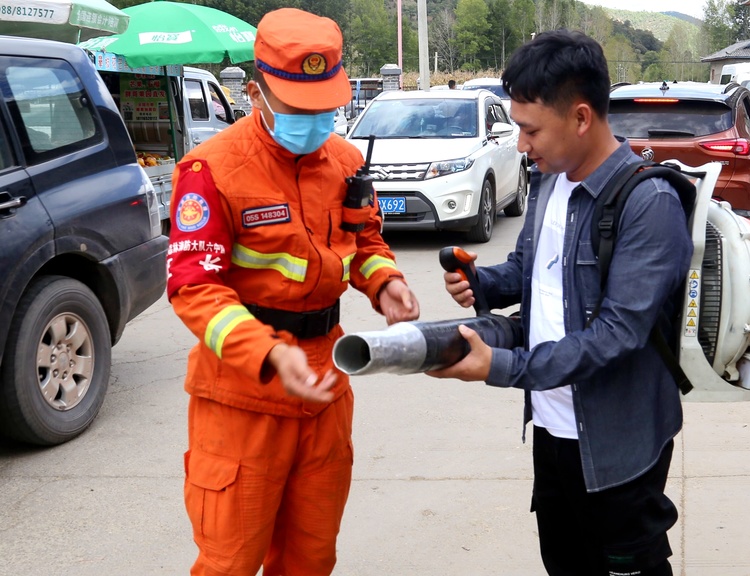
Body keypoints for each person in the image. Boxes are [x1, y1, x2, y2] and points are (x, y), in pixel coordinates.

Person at [165, 8, 420, 575]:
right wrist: (267, 351)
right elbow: (193, 288)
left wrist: (386, 283)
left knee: (311, 557)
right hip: (241, 396)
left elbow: (365, 239)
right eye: (298, 107)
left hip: (324, 384)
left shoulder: (346, 160)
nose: (314, 119)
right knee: (230, 561)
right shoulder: (212, 171)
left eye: (325, 105)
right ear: (256, 92)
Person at [427, 29, 690, 576]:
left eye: (530, 130)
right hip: (551, 429)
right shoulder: (551, 182)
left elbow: (617, 334)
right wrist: (485, 284)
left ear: (581, 117)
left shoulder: (649, 202)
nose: (522, 145)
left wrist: (501, 365)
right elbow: (532, 271)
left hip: (619, 441)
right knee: (564, 562)